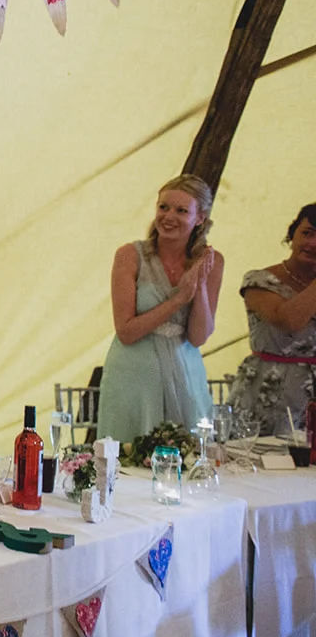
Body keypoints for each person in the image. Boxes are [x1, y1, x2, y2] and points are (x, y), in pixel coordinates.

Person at [95, 175, 223, 443]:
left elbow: (198, 337)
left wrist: (197, 285)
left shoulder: (212, 261)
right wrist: (178, 299)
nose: (168, 216)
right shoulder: (130, 255)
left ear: (200, 218)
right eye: (163, 207)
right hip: (134, 374)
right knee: (129, 459)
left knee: (188, 458)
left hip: (186, 372)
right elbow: (126, 331)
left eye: (181, 210)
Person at [228, 202, 316, 435]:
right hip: (269, 393)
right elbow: (289, 322)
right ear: (292, 234)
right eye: (307, 233)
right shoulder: (259, 281)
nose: (313, 243)